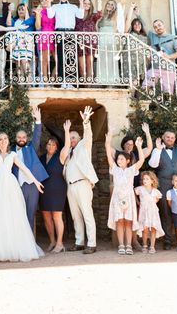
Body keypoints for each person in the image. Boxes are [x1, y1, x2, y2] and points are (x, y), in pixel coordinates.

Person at [0, 123, 44, 264]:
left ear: (8, 140)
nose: (3, 140)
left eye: (5, 138)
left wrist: (36, 182)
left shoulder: (13, 154)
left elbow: (25, 169)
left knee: (12, 217)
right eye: (0, 139)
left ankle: (13, 249)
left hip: (10, 188)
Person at [62, 106, 98, 254]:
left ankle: (92, 244)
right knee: (75, 216)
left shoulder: (84, 146)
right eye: (69, 138)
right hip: (70, 186)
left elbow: (88, 135)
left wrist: (86, 122)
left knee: (87, 214)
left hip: (83, 183)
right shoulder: (67, 152)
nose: (71, 140)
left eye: (74, 137)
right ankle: (79, 242)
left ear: (79, 139)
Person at [147, 130, 177, 249]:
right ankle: (167, 240)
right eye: (167, 137)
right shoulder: (157, 150)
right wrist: (158, 150)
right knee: (165, 212)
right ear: (163, 137)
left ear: (175, 139)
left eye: (172, 137)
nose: (170, 139)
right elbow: (153, 164)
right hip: (164, 185)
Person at [105, 133, 145, 255]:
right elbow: (108, 154)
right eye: (118, 159)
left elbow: (142, 160)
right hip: (117, 198)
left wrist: (138, 146)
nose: (119, 160)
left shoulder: (131, 170)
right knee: (120, 221)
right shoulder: (115, 170)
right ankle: (121, 244)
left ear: (128, 161)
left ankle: (129, 245)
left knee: (128, 221)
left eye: (122, 159)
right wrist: (108, 140)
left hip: (128, 197)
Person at [12, 106, 48, 231]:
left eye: (24, 137)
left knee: (31, 213)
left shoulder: (31, 147)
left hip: (33, 185)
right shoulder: (11, 152)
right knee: (17, 214)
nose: (21, 139)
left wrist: (38, 121)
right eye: (19, 137)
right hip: (18, 186)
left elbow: (37, 136)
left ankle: (30, 242)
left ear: (26, 139)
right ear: (15, 139)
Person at [48, 0, 85, 87]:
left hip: (71, 33)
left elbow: (81, 15)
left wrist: (81, 1)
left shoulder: (73, 6)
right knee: (60, 58)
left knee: (71, 57)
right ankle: (62, 82)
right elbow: (50, 15)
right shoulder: (55, 6)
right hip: (59, 33)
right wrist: (49, 3)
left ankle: (70, 82)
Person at [97, 0, 132, 84]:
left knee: (111, 61)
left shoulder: (116, 15)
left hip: (111, 40)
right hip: (101, 40)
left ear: (114, 7)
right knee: (102, 61)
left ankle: (111, 82)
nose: (110, 5)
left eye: (112, 4)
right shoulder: (102, 16)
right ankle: (102, 81)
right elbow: (96, 27)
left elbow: (123, 2)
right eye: (108, 3)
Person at [39, 133, 68, 253]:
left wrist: (66, 131)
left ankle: (60, 244)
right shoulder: (41, 158)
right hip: (44, 190)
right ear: (46, 146)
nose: (51, 146)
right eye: (49, 144)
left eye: (53, 144)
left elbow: (67, 147)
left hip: (57, 189)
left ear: (57, 147)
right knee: (46, 217)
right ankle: (52, 241)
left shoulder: (60, 157)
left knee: (57, 217)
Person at [145, 20, 177, 94]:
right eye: (155, 27)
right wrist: (137, 13)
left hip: (168, 69)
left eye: (159, 25)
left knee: (168, 92)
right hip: (154, 69)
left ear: (163, 25)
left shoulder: (173, 37)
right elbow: (144, 25)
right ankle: (144, 105)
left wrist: (169, 57)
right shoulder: (152, 36)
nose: (157, 28)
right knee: (146, 85)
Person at [115, 122, 153, 187]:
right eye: (127, 144)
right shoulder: (118, 154)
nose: (129, 146)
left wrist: (147, 133)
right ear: (123, 144)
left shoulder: (137, 154)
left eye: (131, 144)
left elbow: (149, 148)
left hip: (136, 180)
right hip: (123, 182)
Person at [75, 0, 102, 81]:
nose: (86, 5)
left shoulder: (93, 16)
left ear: (91, 6)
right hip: (80, 43)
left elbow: (100, 14)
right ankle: (84, 85)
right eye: (85, 3)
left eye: (88, 4)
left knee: (89, 64)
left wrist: (99, 0)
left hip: (90, 42)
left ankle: (89, 85)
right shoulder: (77, 15)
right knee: (82, 66)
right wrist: (80, 2)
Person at [134, 171, 164, 254]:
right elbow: (133, 193)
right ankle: (144, 245)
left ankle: (152, 246)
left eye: (147, 179)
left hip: (153, 212)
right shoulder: (140, 189)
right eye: (143, 179)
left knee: (154, 228)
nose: (145, 180)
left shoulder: (156, 191)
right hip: (144, 211)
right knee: (145, 228)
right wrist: (138, 202)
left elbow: (157, 200)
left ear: (152, 181)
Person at [8, 0, 36, 80]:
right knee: (18, 63)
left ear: (26, 10)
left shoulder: (30, 19)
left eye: (23, 9)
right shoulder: (15, 20)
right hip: (16, 44)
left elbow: (27, 21)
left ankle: (29, 83)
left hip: (25, 44)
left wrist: (25, 6)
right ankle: (21, 85)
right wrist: (9, 11)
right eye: (19, 9)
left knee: (24, 61)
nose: (21, 11)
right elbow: (9, 24)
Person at [33, 0, 57, 83]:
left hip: (54, 36)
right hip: (44, 36)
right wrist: (38, 15)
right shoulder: (40, 12)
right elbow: (38, 27)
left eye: (45, 0)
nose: (44, 2)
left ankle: (52, 79)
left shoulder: (53, 10)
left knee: (59, 61)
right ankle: (46, 83)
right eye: (42, 1)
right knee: (45, 62)